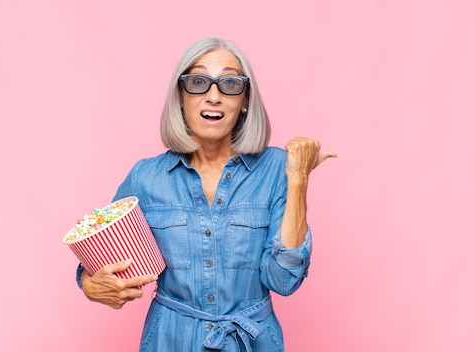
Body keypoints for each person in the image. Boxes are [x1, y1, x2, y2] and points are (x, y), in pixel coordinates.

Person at [75, 36, 336, 351]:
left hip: (252, 342)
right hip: (169, 340)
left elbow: (284, 280)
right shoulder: (146, 177)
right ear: (181, 97)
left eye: (229, 84)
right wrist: (90, 283)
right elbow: (101, 251)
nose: (214, 96)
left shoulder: (278, 168)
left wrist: (298, 177)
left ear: (244, 103)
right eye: (198, 82)